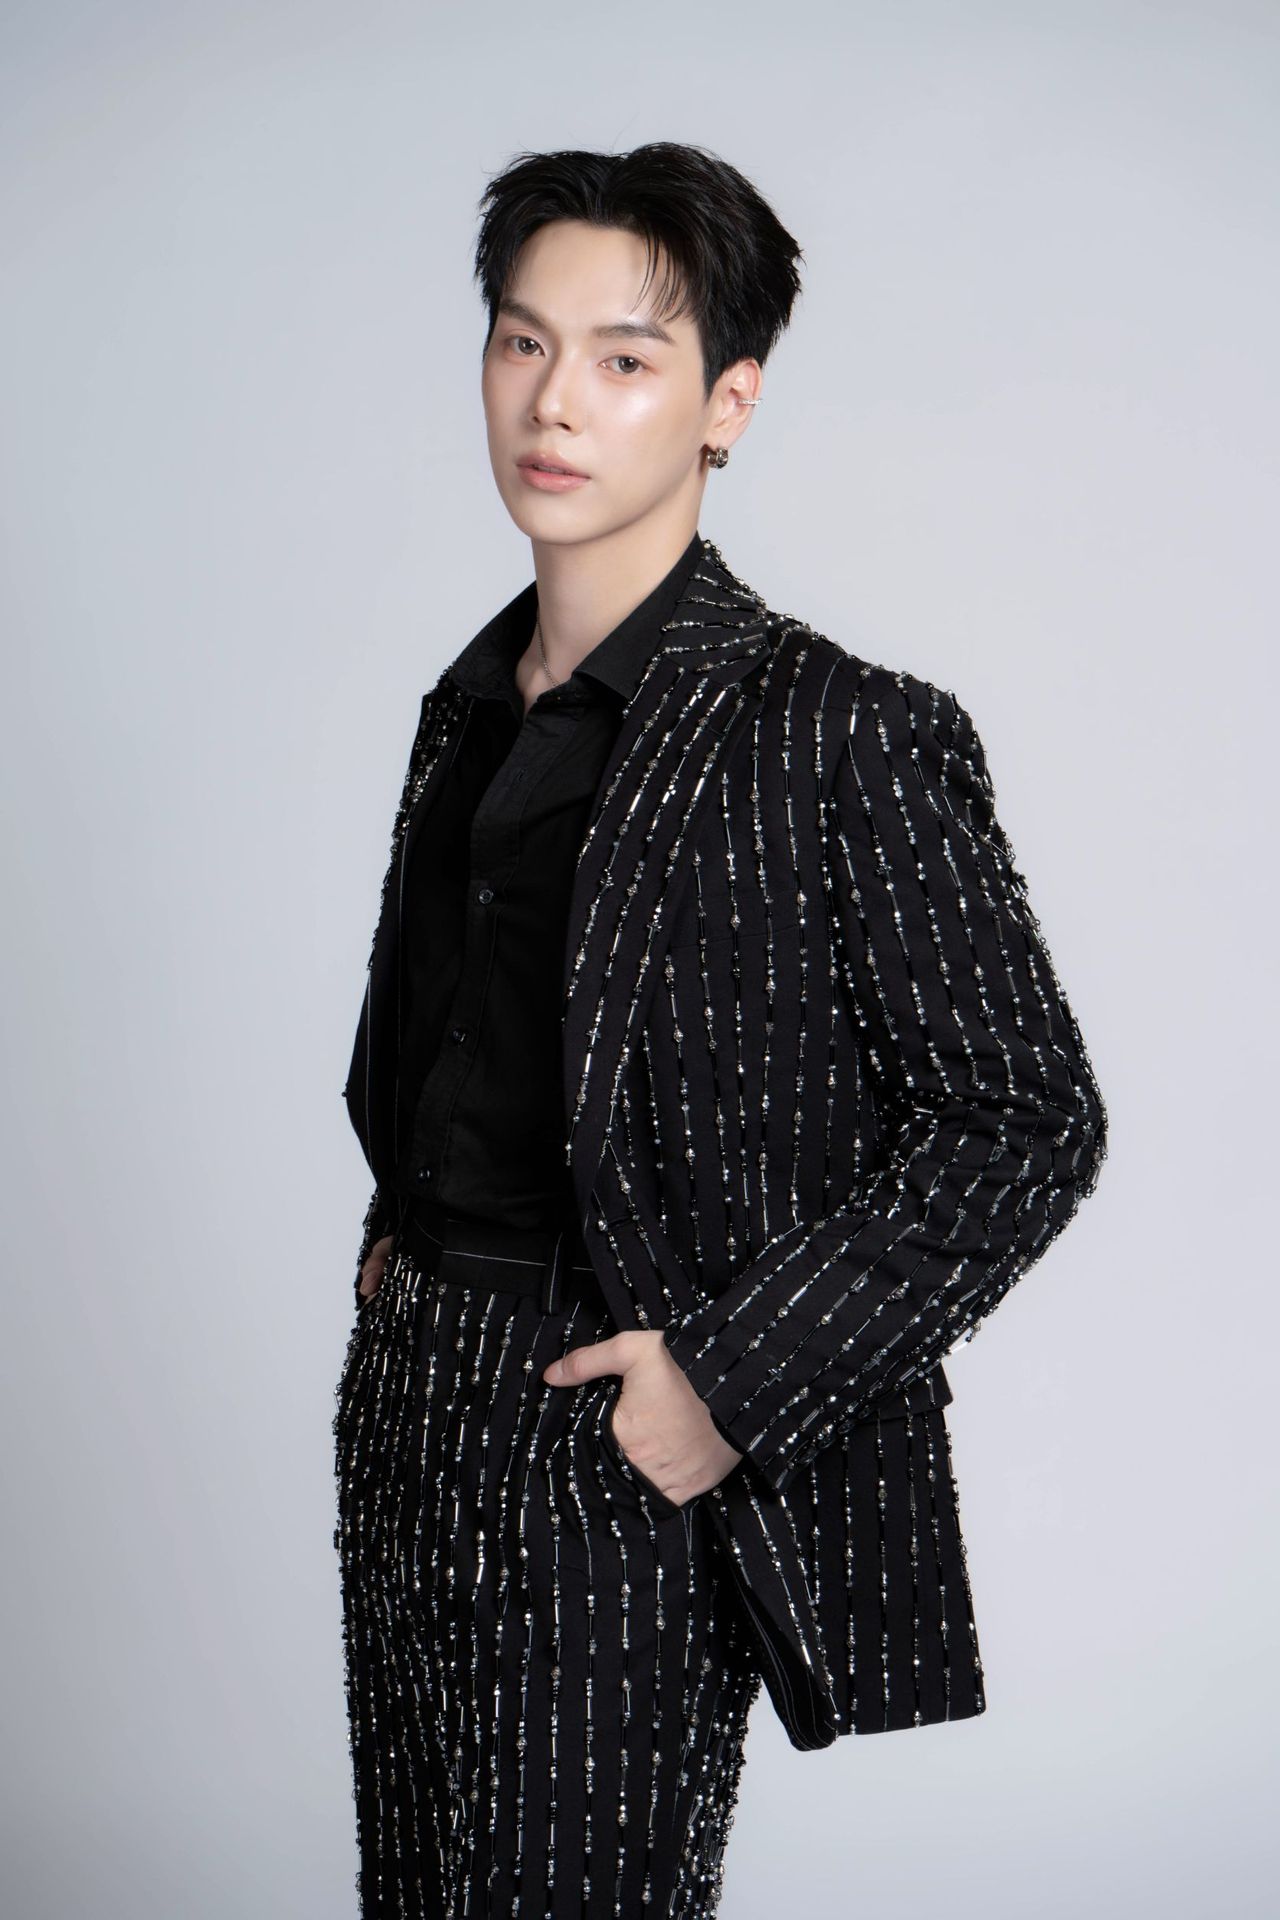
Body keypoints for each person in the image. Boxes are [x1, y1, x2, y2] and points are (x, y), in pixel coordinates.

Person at [332, 141, 1108, 1919]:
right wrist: (403, 1233)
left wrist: (731, 1388)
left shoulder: (838, 731)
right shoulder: (466, 708)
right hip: (411, 1402)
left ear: (727, 402)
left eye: (625, 358)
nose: (555, 403)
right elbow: (466, 1044)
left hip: (617, 1429)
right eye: (523, 343)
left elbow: (1025, 1121)